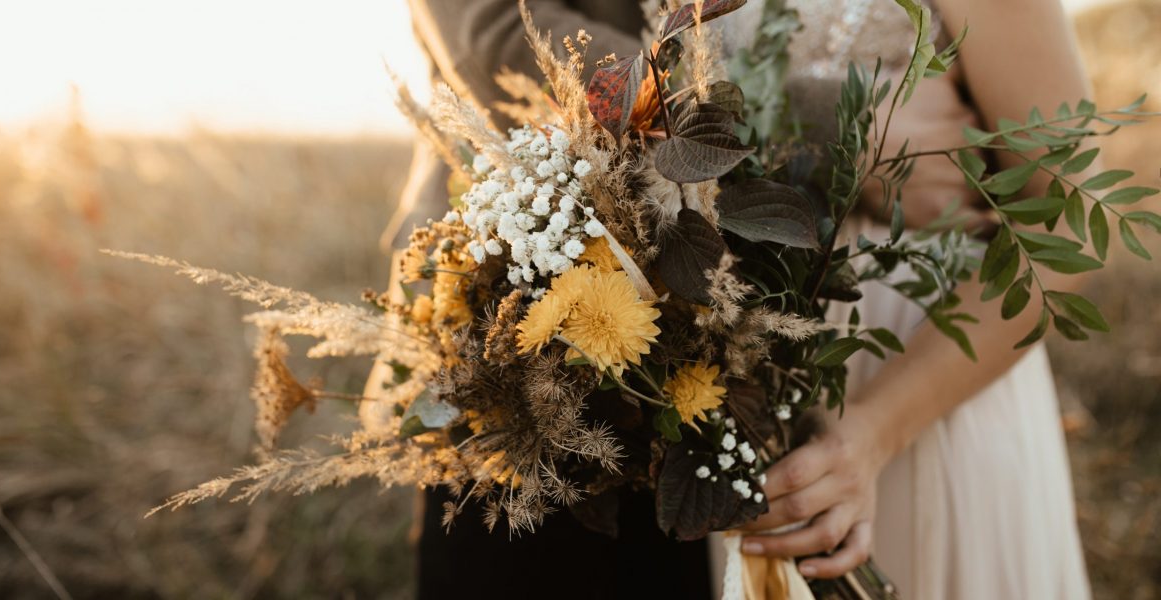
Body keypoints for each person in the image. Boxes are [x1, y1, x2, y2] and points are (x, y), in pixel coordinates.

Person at [398, 1, 1094, 598]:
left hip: (920, 371)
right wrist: (842, 127)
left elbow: (1068, 218)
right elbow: (498, 33)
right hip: (685, 349)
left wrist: (876, 433)